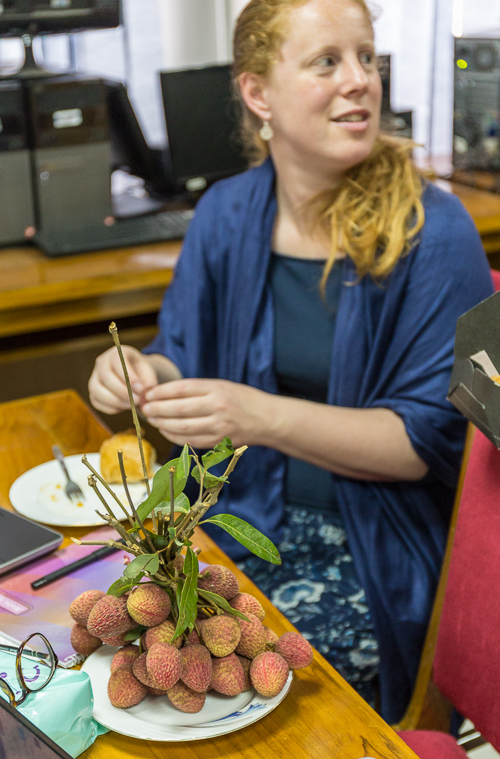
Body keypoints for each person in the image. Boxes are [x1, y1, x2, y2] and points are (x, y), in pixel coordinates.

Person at [89, 0, 494, 722]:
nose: (360, 80)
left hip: (368, 549)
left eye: (366, 57)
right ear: (257, 93)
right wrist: (147, 376)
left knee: (214, 700)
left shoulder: (434, 231)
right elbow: (182, 354)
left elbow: (423, 443)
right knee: (109, 660)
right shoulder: (225, 212)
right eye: (327, 62)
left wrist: (255, 414)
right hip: (232, 518)